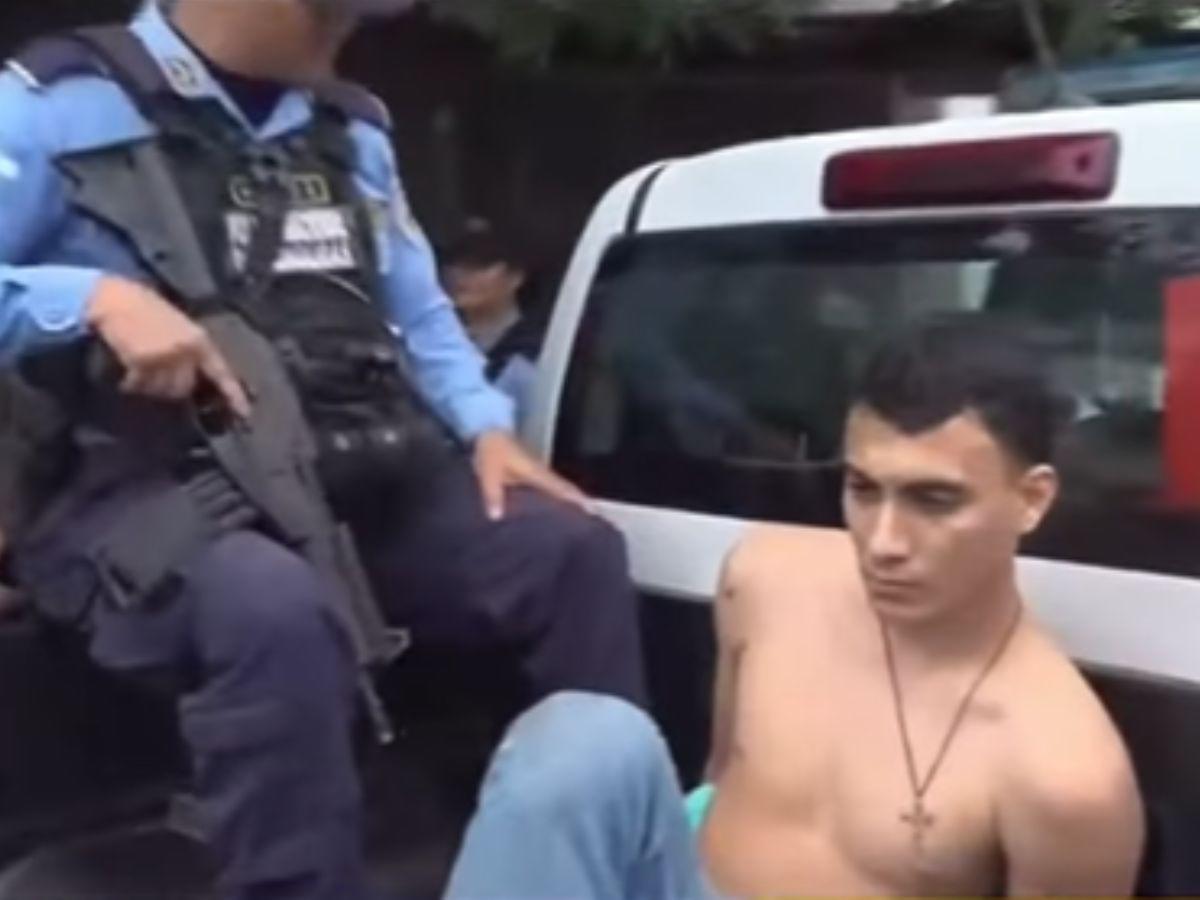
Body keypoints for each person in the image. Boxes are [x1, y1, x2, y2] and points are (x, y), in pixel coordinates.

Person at [0, 2, 646, 898]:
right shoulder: (56, 102)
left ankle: (604, 867)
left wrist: (485, 425)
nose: (343, 37)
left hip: (350, 477)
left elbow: (421, 312)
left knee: (570, 550)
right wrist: (92, 300)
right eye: (327, 15)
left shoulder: (350, 128)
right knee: (270, 608)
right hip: (136, 491)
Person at [444, 317, 1146, 898]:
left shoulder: (1065, 774)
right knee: (586, 735)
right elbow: (718, 783)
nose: (884, 541)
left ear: (1031, 499)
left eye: (934, 500)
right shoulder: (767, 580)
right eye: (863, 489)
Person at [441, 219, 546, 424]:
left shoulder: (534, 357)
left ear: (515, 277)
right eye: (454, 263)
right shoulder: (436, 346)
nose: (460, 274)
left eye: (480, 265)